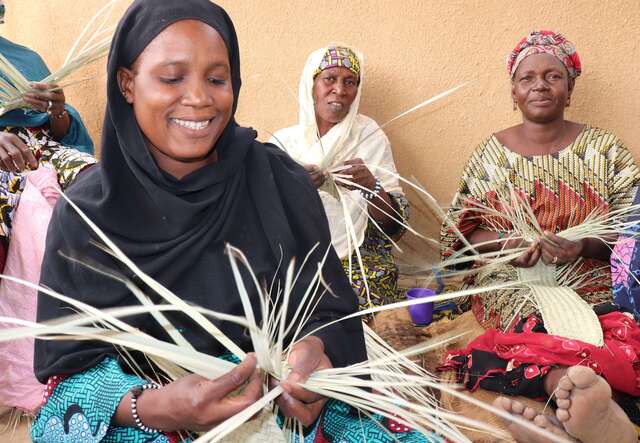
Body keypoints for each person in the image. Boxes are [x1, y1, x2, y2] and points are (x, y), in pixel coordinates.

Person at [30, 2, 438, 442]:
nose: (200, 98)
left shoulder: (278, 182)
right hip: (148, 421)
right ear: (127, 83)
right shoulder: (85, 215)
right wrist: (155, 406)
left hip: (282, 410)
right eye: (172, 77)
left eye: (216, 78)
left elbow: (330, 311)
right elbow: (66, 376)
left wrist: (316, 356)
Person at [439, 30, 640, 442]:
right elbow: (460, 237)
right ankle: (575, 395)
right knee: (533, 327)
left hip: (590, 276)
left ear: (569, 89)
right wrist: (504, 247)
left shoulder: (605, 150)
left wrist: (581, 246)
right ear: (513, 90)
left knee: (610, 326)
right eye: (527, 78)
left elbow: (632, 236)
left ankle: (575, 403)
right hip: (511, 283)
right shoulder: (489, 155)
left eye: (552, 76)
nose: (539, 86)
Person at [270, 46, 409, 310]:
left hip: (357, 260)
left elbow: (395, 228)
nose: (340, 90)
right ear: (311, 85)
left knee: (357, 299)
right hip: (292, 256)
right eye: (329, 79)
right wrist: (296, 188)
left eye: (350, 82)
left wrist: (371, 186)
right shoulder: (282, 143)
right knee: (273, 298)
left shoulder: (368, 136)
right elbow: (259, 212)